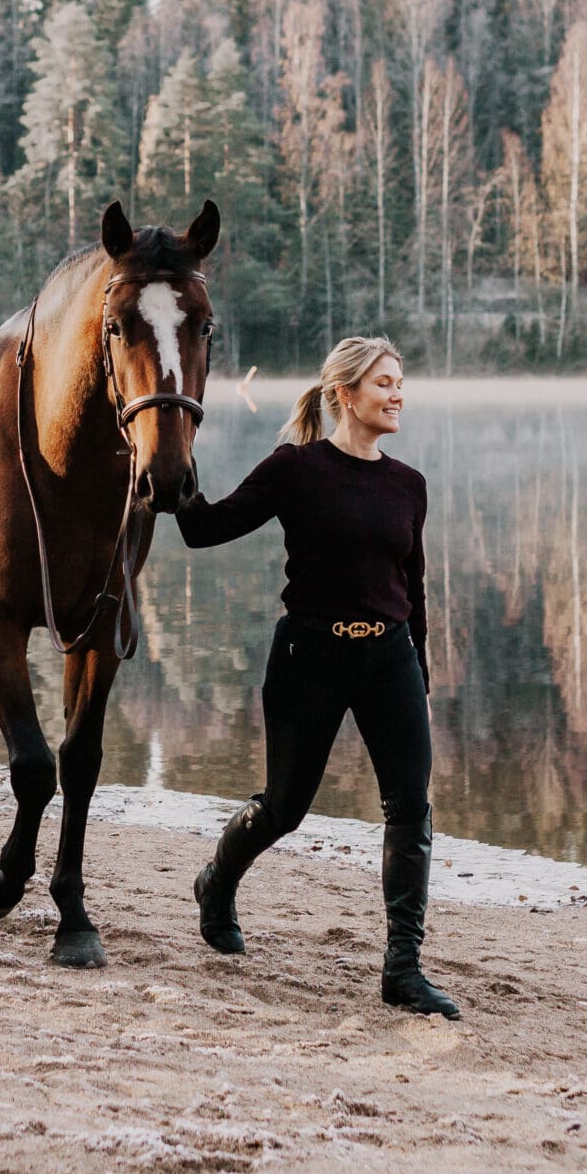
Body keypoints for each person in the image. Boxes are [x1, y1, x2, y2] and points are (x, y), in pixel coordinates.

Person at [175, 335, 459, 1018]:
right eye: (384, 383)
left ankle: (403, 968)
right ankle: (217, 881)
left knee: (411, 807)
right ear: (344, 394)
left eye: (401, 384)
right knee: (285, 805)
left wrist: (417, 666)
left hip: (387, 656)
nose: (397, 395)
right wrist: (176, 473)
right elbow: (204, 530)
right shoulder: (295, 469)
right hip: (310, 654)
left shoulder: (408, 484)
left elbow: (411, 586)